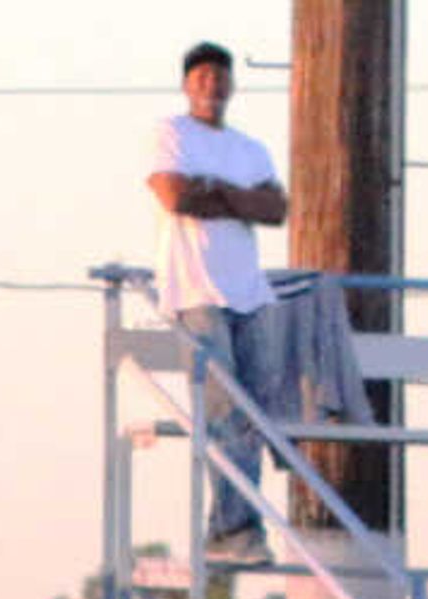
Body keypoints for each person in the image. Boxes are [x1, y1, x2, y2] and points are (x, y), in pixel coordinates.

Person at [148, 38, 290, 563]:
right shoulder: (171, 134)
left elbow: (275, 208)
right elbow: (175, 195)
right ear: (188, 83)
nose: (213, 83)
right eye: (203, 74)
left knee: (251, 413)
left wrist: (218, 192)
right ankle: (236, 533)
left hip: (249, 294)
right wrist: (237, 198)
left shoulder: (249, 148)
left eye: (220, 75)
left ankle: (227, 530)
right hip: (195, 292)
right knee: (224, 410)